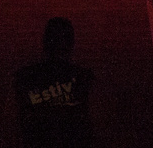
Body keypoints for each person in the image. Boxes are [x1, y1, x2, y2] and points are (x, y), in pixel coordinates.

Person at [13, 17, 94, 148]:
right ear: (72, 43)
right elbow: (97, 123)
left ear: (45, 42)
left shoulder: (25, 76)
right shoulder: (84, 78)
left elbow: (14, 124)